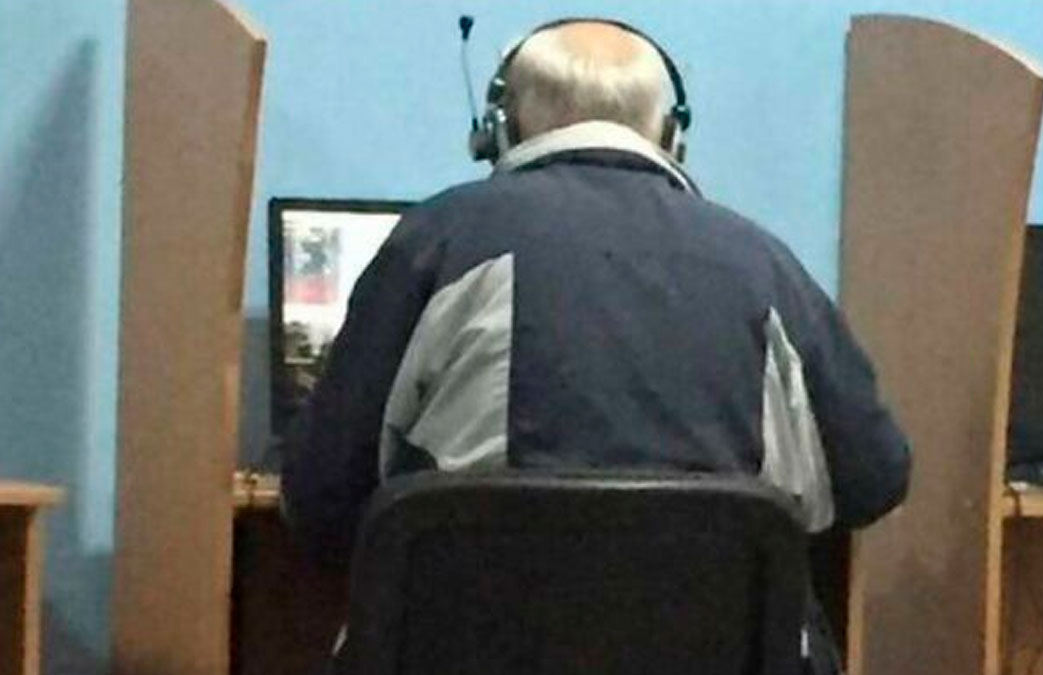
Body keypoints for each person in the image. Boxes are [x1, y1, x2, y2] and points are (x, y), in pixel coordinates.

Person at [282, 17, 910, 674]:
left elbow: (321, 500)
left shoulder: (435, 241)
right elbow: (874, 480)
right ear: (673, 137)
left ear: (500, 129)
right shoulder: (765, 264)